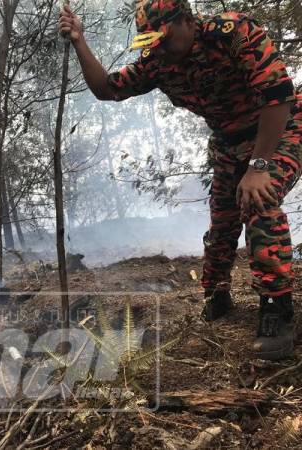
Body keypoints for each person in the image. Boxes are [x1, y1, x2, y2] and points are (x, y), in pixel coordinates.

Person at [60, 0, 301, 360]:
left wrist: (259, 166)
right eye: (151, 43)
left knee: (258, 198)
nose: (159, 52)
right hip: (229, 142)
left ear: (187, 21)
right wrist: (79, 40)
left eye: (164, 40)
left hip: (280, 130)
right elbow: (107, 89)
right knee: (222, 223)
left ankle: (277, 310)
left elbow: (278, 97)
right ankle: (217, 294)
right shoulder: (159, 60)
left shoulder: (232, 33)